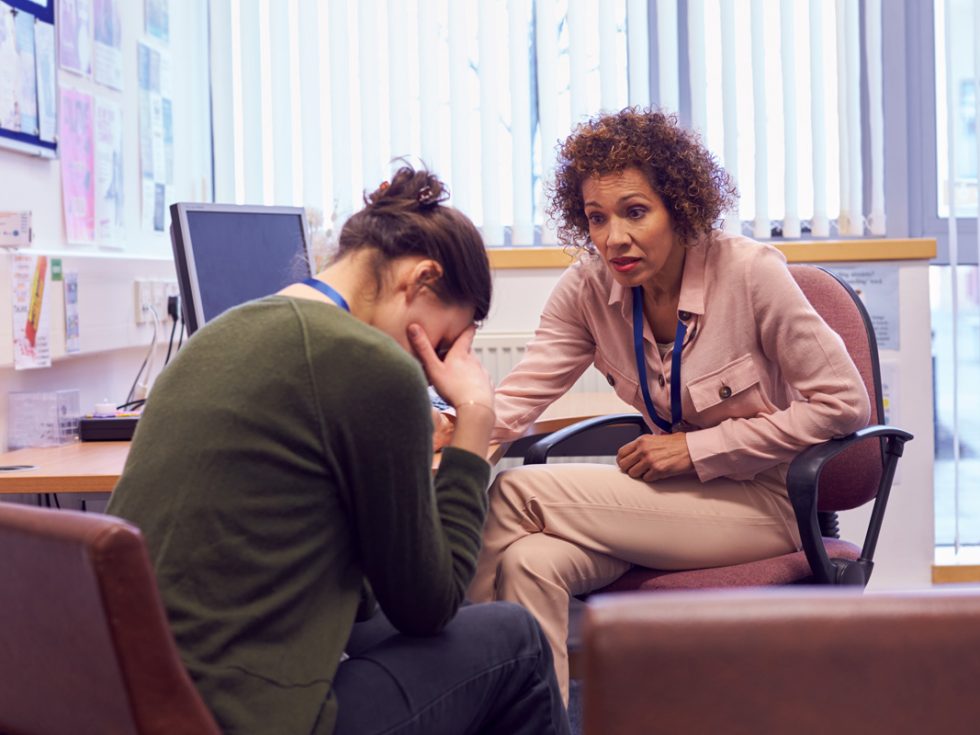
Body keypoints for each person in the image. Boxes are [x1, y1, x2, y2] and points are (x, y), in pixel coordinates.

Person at [107, 165, 569, 735]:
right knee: (515, 640)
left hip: (134, 704)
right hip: (246, 718)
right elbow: (431, 605)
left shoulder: (220, 335)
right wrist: (475, 419)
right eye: (442, 345)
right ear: (422, 280)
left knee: (413, 625)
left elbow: (355, 585)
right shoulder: (370, 367)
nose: (435, 372)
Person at [467, 108, 871, 701]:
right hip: (668, 506)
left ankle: (458, 683)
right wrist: (447, 431)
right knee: (529, 562)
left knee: (513, 492)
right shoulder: (588, 290)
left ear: (680, 209)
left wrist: (696, 448)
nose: (613, 239)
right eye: (596, 218)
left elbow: (844, 405)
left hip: (764, 502)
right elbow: (519, 397)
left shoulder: (751, 273)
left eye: (635, 212)